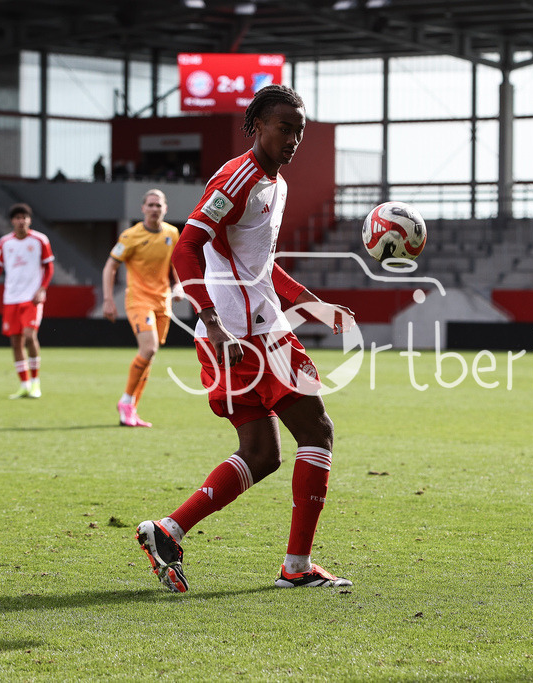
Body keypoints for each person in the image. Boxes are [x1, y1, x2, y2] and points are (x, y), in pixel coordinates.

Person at [136, 84, 356, 592]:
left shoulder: (274, 183)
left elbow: (260, 264)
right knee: (317, 433)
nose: (293, 139)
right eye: (284, 128)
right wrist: (212, 320)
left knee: (261, 453)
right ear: (257, 126)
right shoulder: (238, 178)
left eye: (299, 131)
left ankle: (168, 531)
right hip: (248, 334)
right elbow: (186, 248)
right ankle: (296, 568)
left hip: (240, 333)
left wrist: (313, 304)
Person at [101, 189, 182, 427]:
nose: (155, 209)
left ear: (165, 208)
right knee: (149, 348)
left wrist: (178, 285)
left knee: (150, 355)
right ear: (143, 208)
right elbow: (110, 267)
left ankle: (131, 410)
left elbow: (176, 262)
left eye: (159, 205)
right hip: (138, 300)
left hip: (162, 301)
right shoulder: (130, 236)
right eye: (151, 205)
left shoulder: (172, 233)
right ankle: (126, 400)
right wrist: (108, 299)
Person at [0, 203, 55, 398]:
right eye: (18, 218)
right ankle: (24, 385)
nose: (21, 221)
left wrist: (42, 289)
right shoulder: (5, 242)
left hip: (31, 298)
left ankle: (36, 383)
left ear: (29, 220)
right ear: (12, 221)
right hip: (11, 298)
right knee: (15, 342)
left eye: (24, 217)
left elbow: (49, 266)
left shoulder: (40, 240)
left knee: (29, 336)